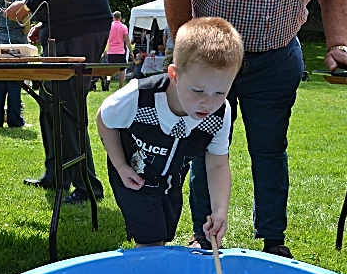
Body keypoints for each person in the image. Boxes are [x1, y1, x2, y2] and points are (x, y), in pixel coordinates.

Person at [160, 0, 347, 257]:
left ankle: (273, 239)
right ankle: (203, 237)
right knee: (205, 147)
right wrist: (188, 50)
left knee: (270, 150)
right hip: (210, 60)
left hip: (277, 57)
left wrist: (338, 44)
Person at [97, 17, 242, 247]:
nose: (208, 103)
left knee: (165, 233)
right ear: (174, 75)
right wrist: (121, 166)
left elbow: (217, 163)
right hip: (134, 177)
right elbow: (104, 119)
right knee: (151, 240)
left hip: (171, 180)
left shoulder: (219, 113)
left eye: (220, 92)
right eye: (198, 90)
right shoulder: (139, 97)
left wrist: (220, 209)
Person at [5, 0, 111, 204]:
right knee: (50, 104)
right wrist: (45, 21)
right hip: (70, 27)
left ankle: (87, 187)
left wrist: (27, 6)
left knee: (66, 106)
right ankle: (56, 175)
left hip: (80, 28)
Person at [106, 11, 133, 89]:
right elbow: (127, 40)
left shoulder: (109, 26)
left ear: (113, 18)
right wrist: (131, 51)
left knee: (109, 68)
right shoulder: (123, 27)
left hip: (111, 50)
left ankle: (108, 79)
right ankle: (120, 86)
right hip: (120, 51)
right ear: (121, 18)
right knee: (122, 69)